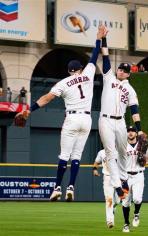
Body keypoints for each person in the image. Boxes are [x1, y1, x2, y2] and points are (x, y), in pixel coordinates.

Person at [15, 25, 104, 201]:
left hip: (71, 118)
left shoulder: (63, 83)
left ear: (69, 71)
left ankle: (57, 188)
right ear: (79, 69)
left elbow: (46, 98)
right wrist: (99, 38)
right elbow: (94, 57)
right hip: (87, 119)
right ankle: (71, 187)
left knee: (64, 155)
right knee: (76, 156)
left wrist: (29, 110)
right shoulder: (88, 74)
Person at [99, 27, 145, 201]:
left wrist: (139, 130)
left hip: (120, 123)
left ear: (128, 74)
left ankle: (124, 180)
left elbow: (135, 111)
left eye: (124, 71)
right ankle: (118, 186)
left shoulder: (131, 90)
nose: (120, 72)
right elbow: (105, 56)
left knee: (124, 152)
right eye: (120, 69)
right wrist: (104, 39)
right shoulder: (109, 77)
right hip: (105, 120)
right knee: (110, 153)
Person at [121, 126, 148, 233]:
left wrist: (144, 161)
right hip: (126, 176)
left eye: (133, 131)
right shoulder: (122, 145)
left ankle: (136, 214)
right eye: (128, 131)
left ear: (136, 133)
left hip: (139, 175)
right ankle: (126, 224)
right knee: (125, 202)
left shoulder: (142, 145)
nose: (130, 133)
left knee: (137, 199)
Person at [92, 149, 121, 229]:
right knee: (109, 199)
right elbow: (97, 162)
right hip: (107, 177)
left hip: (119, 178)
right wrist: (94, 169)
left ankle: (114, 207)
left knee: (118, 200)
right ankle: (110, 221)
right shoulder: (101, 152)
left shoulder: (119, 151)